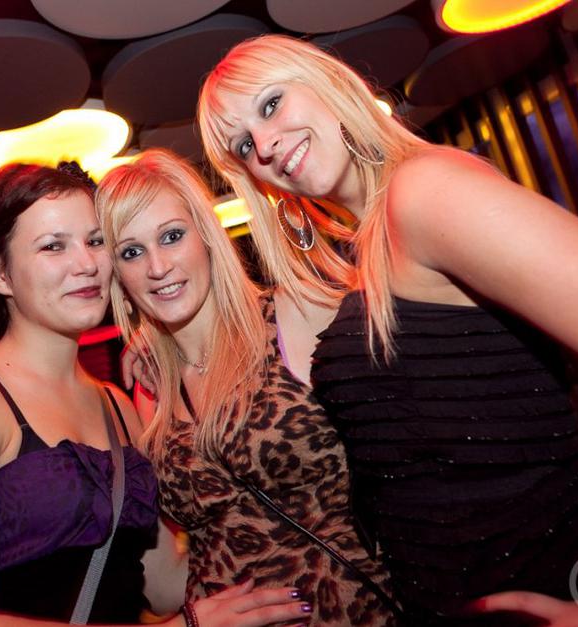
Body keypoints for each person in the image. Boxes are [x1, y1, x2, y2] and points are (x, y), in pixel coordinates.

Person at [196, 34, 578, 627]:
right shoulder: (373, 240)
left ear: (329, 82)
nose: (265, 145)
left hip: (553, 587)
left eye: (270, 104)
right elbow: (474, 418)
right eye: (244, 145)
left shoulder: (425, 193)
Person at [0, 161, 309, 627]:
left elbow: (163, 584)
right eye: (54, 246)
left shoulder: (117, 405)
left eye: (96, 241)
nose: (87, 264)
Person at [96, 148, 394, 625]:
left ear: (206, 236)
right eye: (131, 252)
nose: (157, 267)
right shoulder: (151, 387)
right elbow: (166, 582)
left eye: (172, 236)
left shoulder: (296, 316)